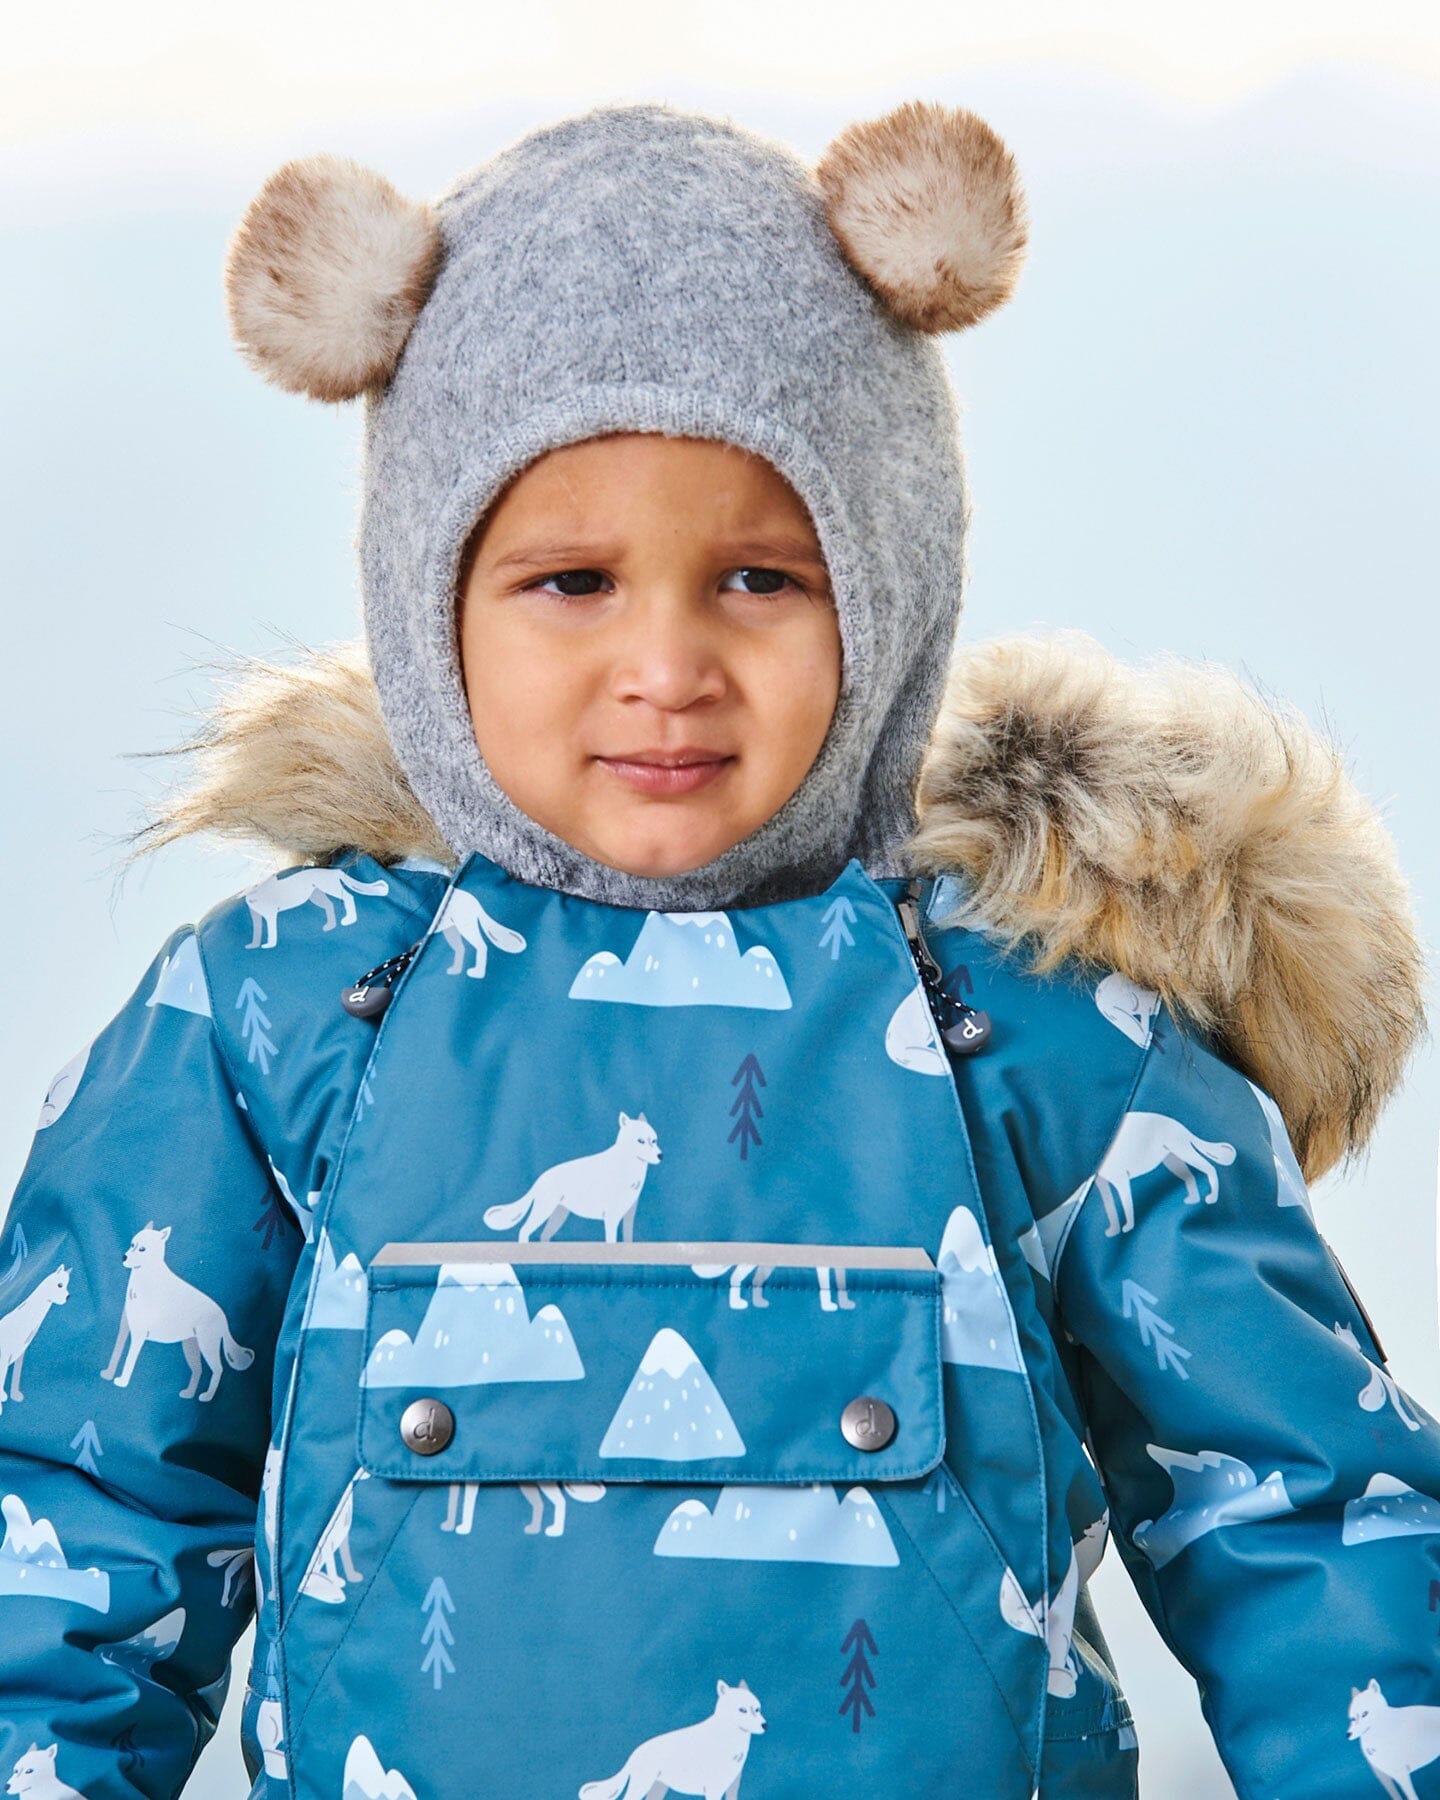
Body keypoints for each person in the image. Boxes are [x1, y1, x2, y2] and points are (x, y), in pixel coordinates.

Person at [1, 98, 1435, 1800]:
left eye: (759, 579)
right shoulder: (286, 1018)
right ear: (428, 604)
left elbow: (1308, 1519)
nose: (667, 666)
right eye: (573, 583)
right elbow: (77, 1518)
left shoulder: (1041, 1035)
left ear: (890, 592)